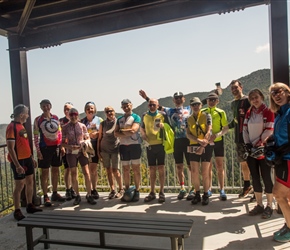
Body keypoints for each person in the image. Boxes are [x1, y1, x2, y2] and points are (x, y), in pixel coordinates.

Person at [139, 90, 190, 200]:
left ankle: (194, 189)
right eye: (176, 98)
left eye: (180, 97)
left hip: (188, 140)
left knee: (191, 166)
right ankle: (182, 188)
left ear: (184, 99)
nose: (178, 99)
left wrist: (218, 91)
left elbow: (202, 103)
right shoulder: (169, 111)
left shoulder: (189, 108)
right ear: (173, 100)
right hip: (176, 141)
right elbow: (156, 106)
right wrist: (146, 97)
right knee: (179, 166)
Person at [6, 104, 42, 221]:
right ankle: (17, 210)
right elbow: (11, 148)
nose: (27, 115)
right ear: (21, 114)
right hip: (19, 160)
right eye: (26, 113)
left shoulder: (21, 126)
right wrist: (17, 165)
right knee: (19, 185)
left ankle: (30, 205)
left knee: (30, 181)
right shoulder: (11, 127)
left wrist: (31, 157)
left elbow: (25, 144)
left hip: (27, 158)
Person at [243, 88, 274, 218]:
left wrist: (258, 142)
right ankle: (260, 204)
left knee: (266, 177)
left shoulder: (268, 111)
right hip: (251, 151)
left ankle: (270, 205)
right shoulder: (249, 112)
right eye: (252, 98)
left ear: (261, 97)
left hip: (263, 150)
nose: (255, 100)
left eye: (256, 97)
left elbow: (269, 129)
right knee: (255, 178)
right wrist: (248, 144)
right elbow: (244, 129)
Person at [268, 83, 290, 242]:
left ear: (287, 92)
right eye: (273, 93)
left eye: (278, 91)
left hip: (288, 160)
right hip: (283, 160)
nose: (276, 95)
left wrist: (280, 150)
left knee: (278, 193)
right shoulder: (280, 114)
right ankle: (288, 223)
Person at [61, 108, 96, 205]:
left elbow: (87, 137)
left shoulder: (82, 126)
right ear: (69, 116)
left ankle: (89, 194)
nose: (73, 116)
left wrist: (84, 142)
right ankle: (77, 195)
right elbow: (62, 143)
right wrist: (70, 146)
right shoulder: (65, 127)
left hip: (82, 151)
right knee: (73, 173)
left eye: (75, 114)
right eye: (71, 114)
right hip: (70, 152)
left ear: (78, 115)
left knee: (86, 172)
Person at [33, 99, 65, 207]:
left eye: (47, 105)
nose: (46, 107)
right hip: (44, 148)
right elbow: (36, 136)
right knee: (45, 172)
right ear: (41, 107)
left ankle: (55, 193)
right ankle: (46, 195)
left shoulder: (56, 118)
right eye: (43, 106)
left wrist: (61, 146)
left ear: (50, 106)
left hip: (56, 147)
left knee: (55, 170)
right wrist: (38, 151)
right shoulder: (38, 120)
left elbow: (59, 132)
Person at [201, 92, 229, 201]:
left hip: (218, 141)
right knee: (208, 166)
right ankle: (209, 188)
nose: (211, 101)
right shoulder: (202, 112)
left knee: (219, 165)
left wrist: (217, 135)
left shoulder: (221, 112)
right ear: (207, 101)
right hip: (207, 142)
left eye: (214, 100)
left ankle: (222, 189)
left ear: (217, 101)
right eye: (209, 100)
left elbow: (225, 128)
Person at [228, 80, 253, 198]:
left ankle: (257, 188)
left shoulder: (248, 100)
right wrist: (224, 129)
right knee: (244, 163)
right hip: (239, 138)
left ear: (241, 87)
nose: (234, 90)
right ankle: (247, 186)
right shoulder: (233, 103)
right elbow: (235, 120)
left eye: (236, 87)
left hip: (250, 137)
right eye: (232, 88)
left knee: (253, 163)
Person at [140, 98, 168, 203]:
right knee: (151, 169)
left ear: (158, 105)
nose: (152, 106)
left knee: (161, 168)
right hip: (150, 146)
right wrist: (142, 133)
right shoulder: (144, 115)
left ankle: (161, 191)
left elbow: (169, 127)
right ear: (148, 106)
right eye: (150, 105)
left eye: (154, 105)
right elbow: (142, 127)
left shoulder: (162, 115)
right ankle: (152, 192)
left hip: (161, 145)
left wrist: (163, 126)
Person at [186, 97, 212, 205]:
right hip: (193, 145)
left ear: (201, 105)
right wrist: (197, 140)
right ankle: (197, 194)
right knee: (194, 172)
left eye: (197, 104)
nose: (195, 106)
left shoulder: (206, 116)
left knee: (205, 172)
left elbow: (209, 131)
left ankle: (206, 194)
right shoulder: (188, 119)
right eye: (193, 105)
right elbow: (188, 134)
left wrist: (202, 144)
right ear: (191, 106)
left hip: (205, 145)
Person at [114, 99, 142, 202]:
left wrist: (122, 131)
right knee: (125, 170)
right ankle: (127, 191)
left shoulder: (136, 117)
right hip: (123, 146)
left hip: (135, 145)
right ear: (122, 108)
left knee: (136, 169)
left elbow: (134, 130)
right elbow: (115, 133)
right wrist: (127, 131)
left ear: (131, 105)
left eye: (127, 106)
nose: (126, 108)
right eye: (124, 106)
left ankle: (137, 191)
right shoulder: (120, 119)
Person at [97, 106, 124, 199]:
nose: (109, 113)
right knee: (108, 170)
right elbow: (99, 138)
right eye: (107, 112)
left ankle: (121, 189)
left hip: (115, 150)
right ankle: (112, 189)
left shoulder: (118, 122)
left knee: (115, 170)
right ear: (105, 113)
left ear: (114, 112)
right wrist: (98, 151)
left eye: (111, 111)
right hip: (104, 150)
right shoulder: (103, 124)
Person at [81, 101, 103, 199]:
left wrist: (97, 133)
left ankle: (94, 189)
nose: (90, 110)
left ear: (95, 109)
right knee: (87, 170)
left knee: (93, 169)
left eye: (92, 108)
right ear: (85, 110)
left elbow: (102, 132)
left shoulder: (100, 120)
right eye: (88, 108)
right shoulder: (82, 121)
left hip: (95, 146)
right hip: (85, 147)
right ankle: (89, 191)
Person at [59, 102, 76, 200]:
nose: (67, 111)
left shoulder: (77, 120)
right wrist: (61, 147)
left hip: (75, 149)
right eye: (65, 109)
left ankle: (74, 188)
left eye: (69, 109)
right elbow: (59, 135)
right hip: (66, 149)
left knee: (74, 170)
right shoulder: (60, 121)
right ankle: (68, 189)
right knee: (67, 169)